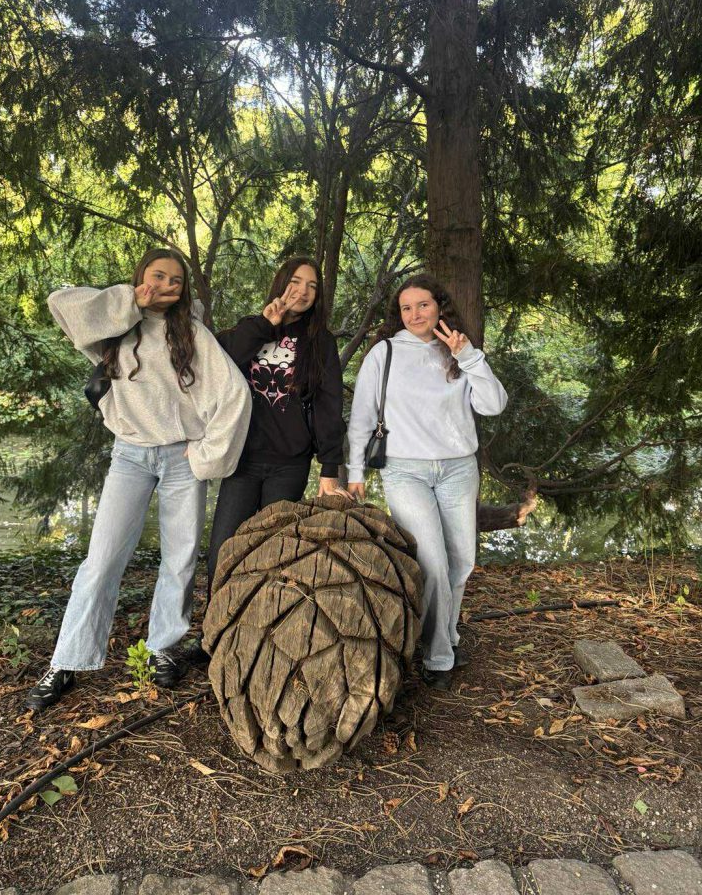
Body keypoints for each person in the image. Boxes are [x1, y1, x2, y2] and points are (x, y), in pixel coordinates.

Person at [25, 248, 251, 709]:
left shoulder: (192, 333)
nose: (166, 285)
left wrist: (206, 455)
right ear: (140, 276)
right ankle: (67, 660)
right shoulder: (114, 324)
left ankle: (162, 648)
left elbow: (235, 395)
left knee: (179, 559)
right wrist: (131, 300)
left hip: (181, 458)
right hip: (129, 455)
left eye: (175, 280)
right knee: (101, 559)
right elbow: (60, 303)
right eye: (157, 276)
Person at [346, 273, 507, 691]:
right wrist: (355, 472)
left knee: (461, 561)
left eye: (423, 305)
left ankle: (446, 636)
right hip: (405, 470)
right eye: (406, 307)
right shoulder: (384, 353)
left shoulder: (458, 351)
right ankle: (438, 657)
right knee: (432, 563)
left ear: (440, 307)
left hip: (458, 469)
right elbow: (362, 417)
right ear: (398, 314)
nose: (415, 314)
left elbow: (493, 405)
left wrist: (469, 357)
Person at [206, 256, 347, 592]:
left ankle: (263, 622)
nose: (303, 291)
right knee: (224, 551)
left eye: (312, 286)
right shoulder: (252, 328)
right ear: (281, 283)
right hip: (243, 460)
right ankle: (216, 621)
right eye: (295, 282)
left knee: (273, 554)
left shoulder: (320, 342)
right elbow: (221, 364)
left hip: (289, 464)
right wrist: (265, 324)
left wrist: (329, 466)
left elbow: (329, 404)